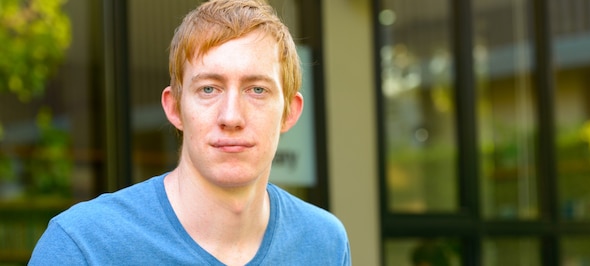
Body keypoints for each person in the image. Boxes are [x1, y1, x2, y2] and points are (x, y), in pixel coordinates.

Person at [28, 0, 351, 265]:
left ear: (290, 112)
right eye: (209, 89)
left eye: (257, 90)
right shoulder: (83, 247)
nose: (231, 116)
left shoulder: (324, 243)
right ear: (174, 108)